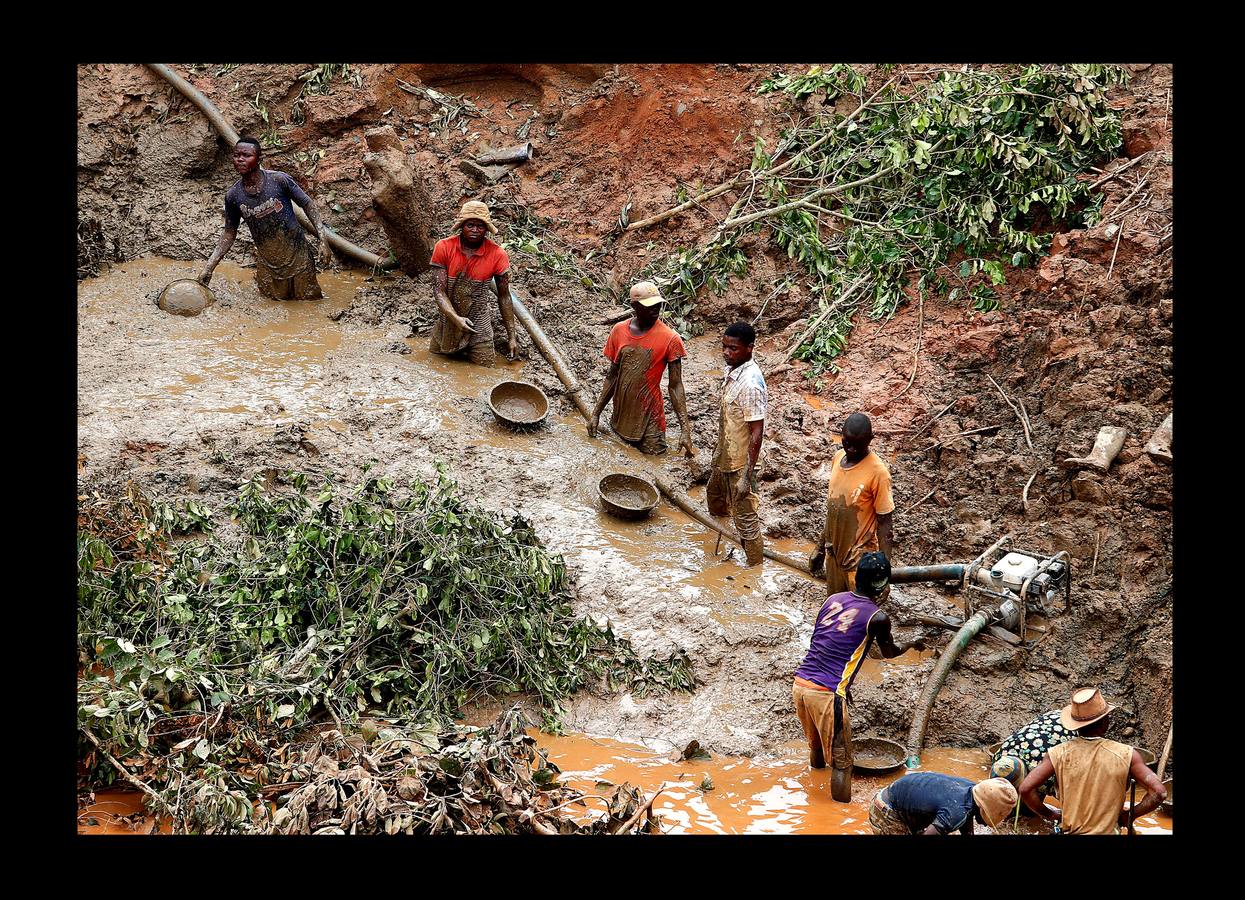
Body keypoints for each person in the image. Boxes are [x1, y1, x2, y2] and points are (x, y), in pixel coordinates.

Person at [792, 552, 923, 802]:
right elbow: (888, 652)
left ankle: (813, 790)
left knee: (817, 746)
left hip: (801, 683)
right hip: (828, 693)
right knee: (843, 764)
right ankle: (836, 818)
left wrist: (846, 684)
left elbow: (826, 642)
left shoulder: (832, 599)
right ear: (883, 587)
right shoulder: (878, 617)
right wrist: (911, 644)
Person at [200, 137, 333, 300]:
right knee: (273, 305)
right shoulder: (233, 196)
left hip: (299, 258)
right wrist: (209, 267)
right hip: (268, 265)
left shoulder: (279, 180)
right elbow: (229, 233)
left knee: (310, 302)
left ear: (258, 160)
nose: (240, 159)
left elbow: (308, 204)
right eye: (236, 155)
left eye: (246, 155)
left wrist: (323, 239)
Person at [1019, 687, 1166, 834]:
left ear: (1075, 725)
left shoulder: (1057, 753)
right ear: (1105, 722)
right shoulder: (1127, 754)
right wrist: (1129, 815)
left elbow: (1026, 789)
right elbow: (1159, 793)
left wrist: (1050, 815)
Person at [588, 281, 691, 455]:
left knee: (655, 459)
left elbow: (675, 386)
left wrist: (685, 430)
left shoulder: (671, 338)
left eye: (658, 304)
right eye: (649, 305)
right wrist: (596, 413)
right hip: (620, 414)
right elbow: (612, 376)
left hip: (651, 419)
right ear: (633, 306)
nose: (655, 309)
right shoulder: (618, 331)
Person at [810, 412, 895, 593]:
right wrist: (820, 548)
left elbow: (885, 524)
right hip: (834, 556)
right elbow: (834, 512)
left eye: (858, 445)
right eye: (847, 442)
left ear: (870, 440)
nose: (852, 449)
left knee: (859, 617)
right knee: (836, 612)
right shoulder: (837, 458)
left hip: (859, 562)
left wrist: (883, 573)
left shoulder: (878, 473)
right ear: (841, 436)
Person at [427, 200, 517, 367]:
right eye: (470, 225)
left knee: (487, 370)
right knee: (435, 364)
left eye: (480, 226)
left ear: (486, 229)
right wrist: (455, 319)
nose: (475, 230)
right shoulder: (444, 247)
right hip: (448, 321)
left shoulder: (497, 254)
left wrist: (511, 336)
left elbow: (504, 297)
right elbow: (439, 292)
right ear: (462, 226)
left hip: (478, 324)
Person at [707, 321, 767, 566]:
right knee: (715, 498)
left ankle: (754, 569)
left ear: (749, 349)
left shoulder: (751, 383)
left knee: (747, 522)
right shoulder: (732, 369)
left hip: (741, 464)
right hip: (725, 455)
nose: (726, 353)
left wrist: (746, 476)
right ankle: (716, 537)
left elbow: (757, 432)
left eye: (733, 349)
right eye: (724, 347)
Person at [869, 774, 1017, 835]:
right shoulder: (956, 812)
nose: (985, 825)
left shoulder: (971, 790)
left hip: (891, 797)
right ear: (986, 809)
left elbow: (966, 816)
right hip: (887, 813)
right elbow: (959, 814)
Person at [991, 709, 1076, 810]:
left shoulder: (1044, 771)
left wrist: (1052, 815)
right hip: (1054, 718)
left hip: (1072, 725)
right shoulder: (999, 756)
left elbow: (1066, 797)